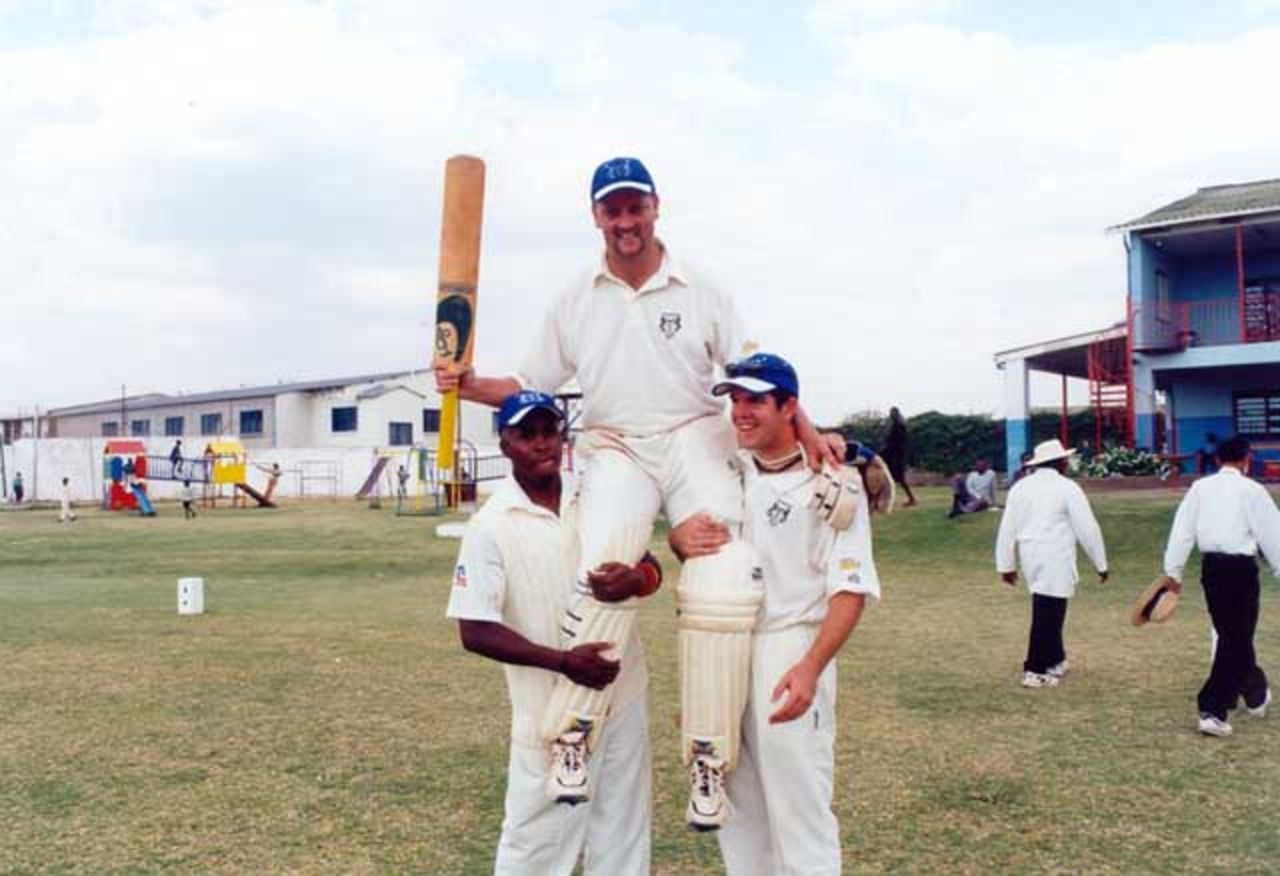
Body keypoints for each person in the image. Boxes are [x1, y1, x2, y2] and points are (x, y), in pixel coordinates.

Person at [436, 157, 840, 827]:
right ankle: (575, 732)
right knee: (604, 574)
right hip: (615, 443)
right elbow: (530, 383)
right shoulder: (575, 299)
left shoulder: (702, 287)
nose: (625, 222)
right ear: (596, 216)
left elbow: (753, 373)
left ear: (656, 207)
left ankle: (708, 758)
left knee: (725, 573)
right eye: (612, 210)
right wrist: (465, 383)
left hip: (692, 438)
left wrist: (810, 427)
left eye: (635, 207)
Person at [669, 352, 879, 873]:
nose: (741, 411)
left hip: (789, 642)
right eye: (735, 400)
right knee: (734, 802)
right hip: (722, 646)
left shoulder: (832, 484)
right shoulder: (725, 471)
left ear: (790, 408)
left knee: (799, 805)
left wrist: (810, 668)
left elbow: (849, 589)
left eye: (755, 401)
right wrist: (677, 539)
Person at [446, 392, 659, 874]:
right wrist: (563, 662)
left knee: (623, 835)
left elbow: (649, 566)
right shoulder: (491, 525)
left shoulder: (595, 495)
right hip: (549, 707)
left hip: (623, 694)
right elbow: (474, 630)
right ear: (505, 444)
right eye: (527, 434)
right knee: (535, 845)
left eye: (550, 431)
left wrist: (638, 580)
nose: (542, 444)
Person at [1162, 435, 1280, 737]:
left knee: (1232, 635)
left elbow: (1182, 530)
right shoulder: (1252, 490)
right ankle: (1212, 706)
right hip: (1240, 569)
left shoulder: (1200, 489)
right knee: (1236, 636)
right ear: (1246, 458)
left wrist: (1173, 572)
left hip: (1211, 569)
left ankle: (1255, 692)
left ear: (1216, 460)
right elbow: (1272, 534)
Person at [995, 439, 1108, 688]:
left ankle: (1056, 658)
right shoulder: (1067, 488)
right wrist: (1101, 563)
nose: (1067, 462)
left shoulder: (1020, 488)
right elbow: (1087, 528)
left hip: (1030, 555)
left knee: (1051, 606)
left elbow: (1007, 529)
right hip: (1055, 555)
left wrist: (1006, 565)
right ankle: (1035, 669)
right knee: (1048, 610)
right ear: (1060, 462)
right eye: (1065, 459)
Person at [882, 406, 917, 506]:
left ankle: (911, 499)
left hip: (895, 457)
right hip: (896, 456)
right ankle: (910, 498)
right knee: (895, 479)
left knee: (896, 479)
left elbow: (894, 443)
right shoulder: (899, 426)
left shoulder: (898, 426)